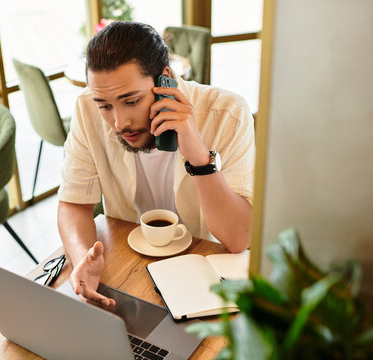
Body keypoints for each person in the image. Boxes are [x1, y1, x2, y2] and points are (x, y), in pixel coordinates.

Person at [57, 21, 255, 307]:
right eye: (105, 105)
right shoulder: (86, 109)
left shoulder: (228, 113)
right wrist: (82, 260)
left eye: (132, 101)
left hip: (208, 280)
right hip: (131, 269)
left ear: (164, 80)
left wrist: (199, 157)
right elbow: (74, 203)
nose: (119, 122)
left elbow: (239, 238)